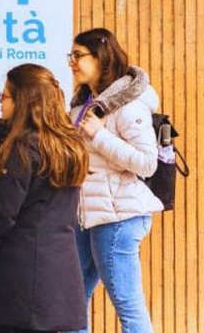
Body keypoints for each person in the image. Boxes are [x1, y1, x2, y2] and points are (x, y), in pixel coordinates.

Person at [0, 63, 89, 333]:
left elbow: (0, 214)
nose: (0, 100)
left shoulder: (21, 147)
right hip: (51, 286)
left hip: (10, 289)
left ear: (23, 101)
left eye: (5, 95)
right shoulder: (69, 146)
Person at [68, 28, 163, 333]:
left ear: (101, 56)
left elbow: (147, 163)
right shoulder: (83, 104)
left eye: (78, 55)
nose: (72, 62)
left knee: (127, 305)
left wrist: (99, 135)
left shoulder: (129, 105)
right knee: (71, 301)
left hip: (118, 218)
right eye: (71, 56)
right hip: (88, 215)